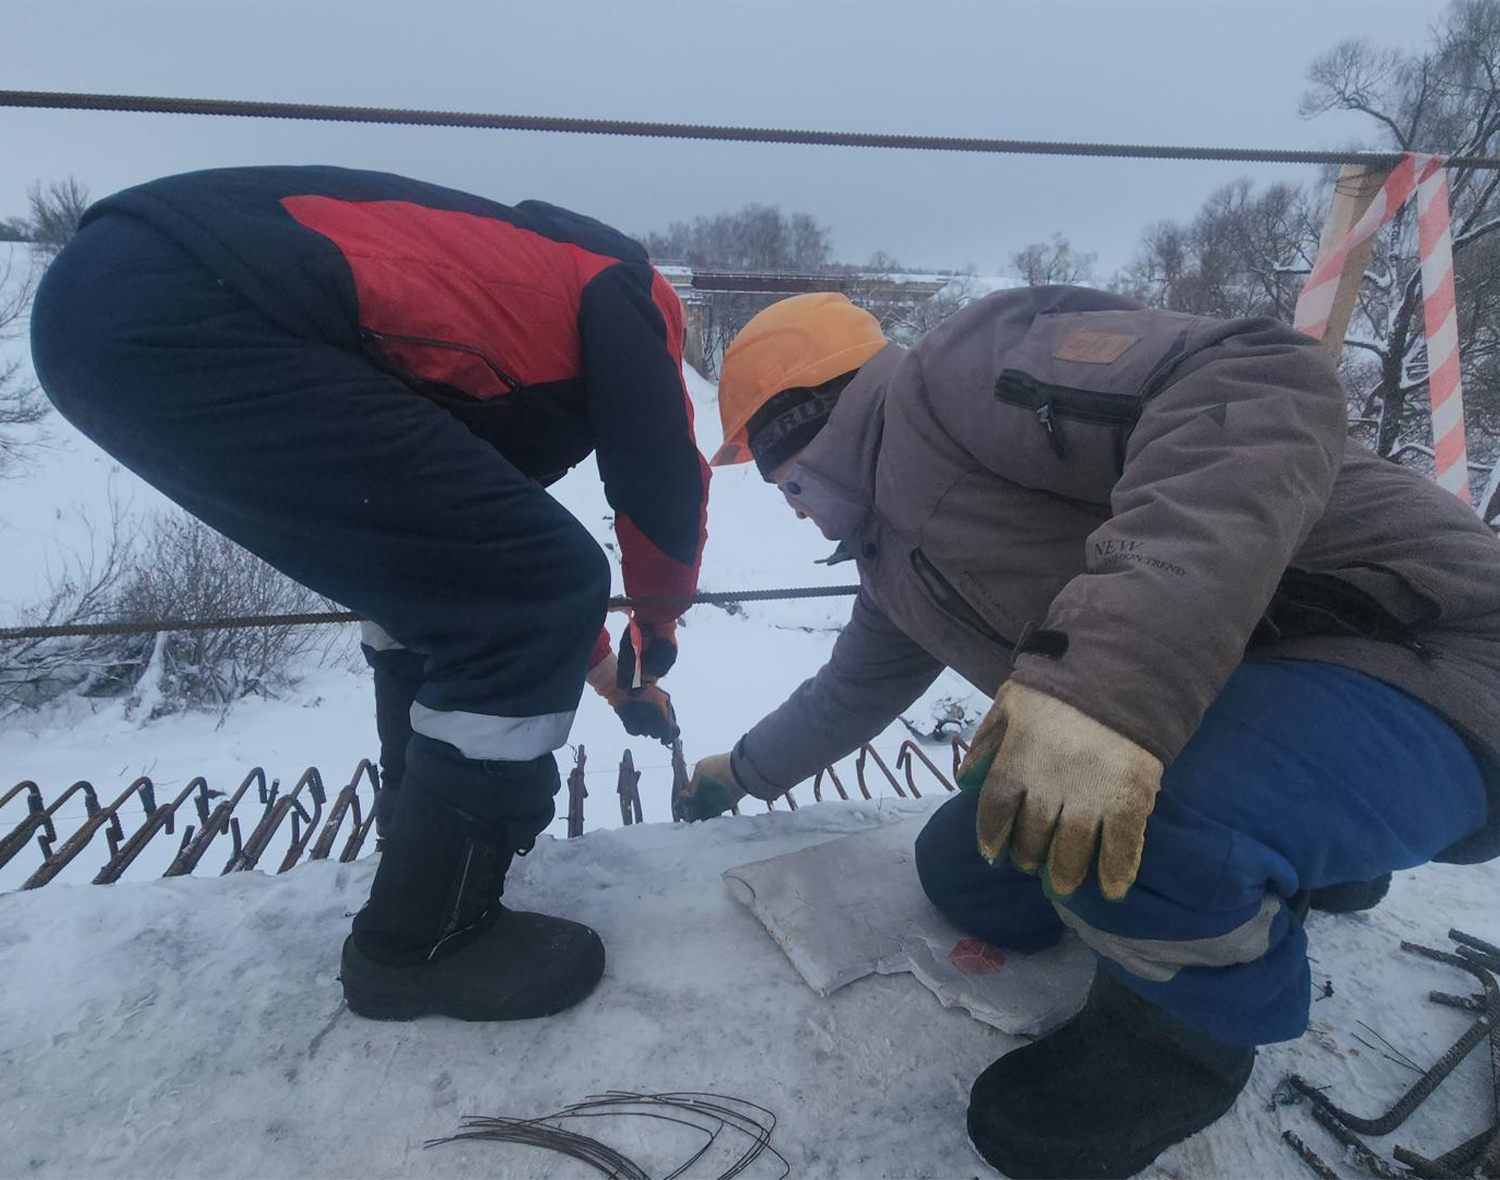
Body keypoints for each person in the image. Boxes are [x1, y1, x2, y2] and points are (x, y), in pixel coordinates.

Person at [676, 290, 1500, 1178]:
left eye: (773, 477)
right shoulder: (892, 555)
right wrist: (744, 769)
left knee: (1147, 821)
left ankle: (1181, 1047)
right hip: (1259, 687)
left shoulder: (957, 378)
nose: (786, 504)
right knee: (973, 859)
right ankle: (1294, 859)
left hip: (1419, 642)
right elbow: (849, 691)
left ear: (801, 434)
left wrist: (1105, 688)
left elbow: (1259, 376)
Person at [29, 165, 710, 1024]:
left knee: (443, 582)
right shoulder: (625, 285)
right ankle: (428, 939)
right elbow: (660, 483)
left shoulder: (492, 309)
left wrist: (613, 678)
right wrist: (658, 619)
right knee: (533, 583)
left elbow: (468, 554)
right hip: (191, 299)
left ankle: (420, 837)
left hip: (116, 300)